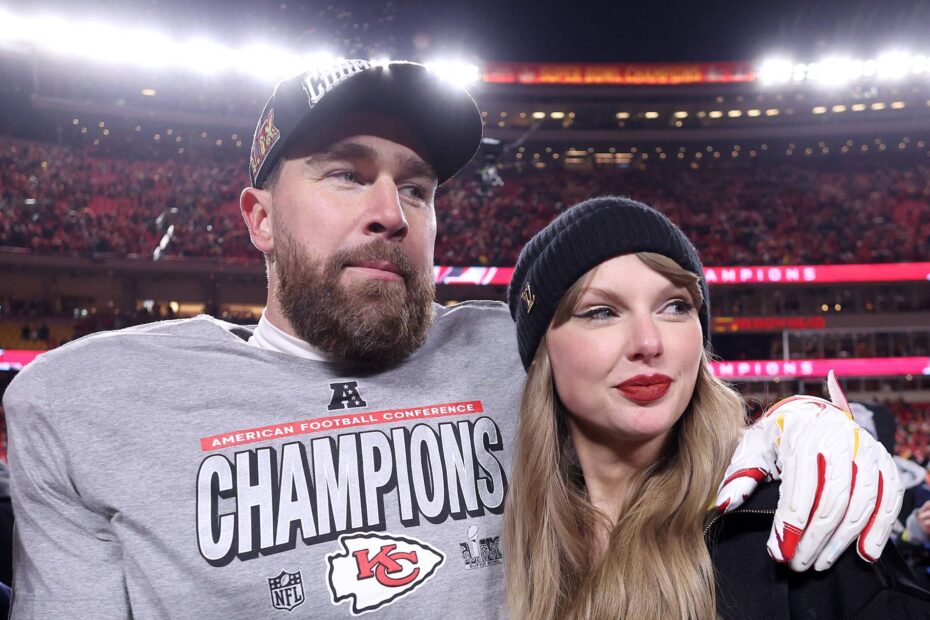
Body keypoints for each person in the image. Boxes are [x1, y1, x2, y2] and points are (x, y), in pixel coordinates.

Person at [1, 61, 904, 618]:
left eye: (418, 188)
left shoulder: (515, 350)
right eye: (345, 174)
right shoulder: (87, 402)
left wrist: (795, 425)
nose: (391, 213)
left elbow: (658, 399)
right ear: (260, 216)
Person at [503, 196, 923, 619]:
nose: (649, 342)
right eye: (601, 312)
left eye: (675, 306)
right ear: (543, 356)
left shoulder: (798, 523)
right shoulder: (499, 539)